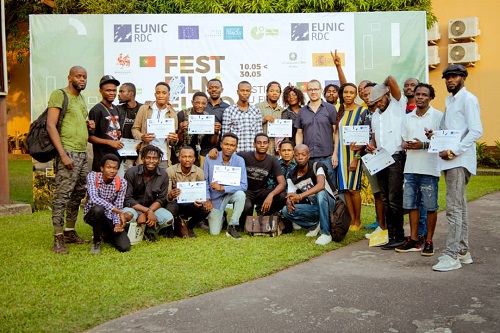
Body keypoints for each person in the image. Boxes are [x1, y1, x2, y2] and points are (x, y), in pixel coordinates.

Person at [431, 64, 482, 272]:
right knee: (459, 206)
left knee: (453, 208)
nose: (449, 80)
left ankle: (452, 255)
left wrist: (454, 151)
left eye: (454, 77)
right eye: (447, 77)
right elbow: (451, 131)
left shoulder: (469, 99)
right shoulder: (451, 101)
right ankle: (463, 251)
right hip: (449, 161)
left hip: (458, 161)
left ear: (463, 78)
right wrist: (435, 136)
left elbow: (476, 130)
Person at [46, 66, 94, 254]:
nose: (82, 79)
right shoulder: (59, 95)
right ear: (70, 78)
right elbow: (51, 125)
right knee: (62, 195)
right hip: (67, 152)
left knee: (77, 194)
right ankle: (58, 238)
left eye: (85, 76)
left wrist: (88, 125)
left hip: (82, 153)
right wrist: (63, 155)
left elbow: (76, 123)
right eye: (78, 76)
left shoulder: (81, 99)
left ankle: (69, 232)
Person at [395, 83, 442, 256]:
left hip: (429, 168)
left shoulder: (438, 116)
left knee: (430, 206)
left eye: (424, 94)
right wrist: (406, 144)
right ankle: (414, 239)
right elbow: (403, 141)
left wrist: (424, 144)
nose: (420, 97)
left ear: (430, 97)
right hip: (411, 168)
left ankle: (428, 240)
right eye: (418, 94)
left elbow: (443, 142)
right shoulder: (407, 118)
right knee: (411, 205)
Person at [368, 76, 407, 249]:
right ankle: (391, 235)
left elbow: (391, 79)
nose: (378, 104)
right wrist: (372, 148)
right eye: (375, 102)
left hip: (396, 158)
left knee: (394, 199)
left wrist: (382, 85)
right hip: (380, 158)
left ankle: (399, 235)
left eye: (380, 99)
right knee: (384, 198)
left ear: (387, 95)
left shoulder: (398, 106)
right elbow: (376, 138)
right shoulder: (375, 115)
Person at [281, 144, 336, 245]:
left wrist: (301, 196)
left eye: (303, 154)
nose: (300, 157)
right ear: (294, 156)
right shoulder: (292, 175)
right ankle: (315, 226)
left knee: (320, 193)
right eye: (297, 155)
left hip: (330, 204)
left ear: (308, 156)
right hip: (314, 207)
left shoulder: (317, 166)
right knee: (285, 210)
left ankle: (326, 234)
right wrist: (289, 201)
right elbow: (291, 194)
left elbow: (321, 185)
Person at [354, 83, 386, 238]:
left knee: (388, 193)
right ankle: (381, 226)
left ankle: (390, 226)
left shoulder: (386, 112)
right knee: (378, 193)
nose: (367, 97)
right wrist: (356, 151)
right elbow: (360, 137)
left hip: (386, 158)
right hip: (369, 159)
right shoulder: (364, 114)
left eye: (370, 94)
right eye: (364, 95)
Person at [123, 145, 174, 241]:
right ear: (142, 159)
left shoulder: (163, 175)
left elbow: (161, 199)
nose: (151, 161)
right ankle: (129, 230)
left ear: (159, 160)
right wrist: (146, 211)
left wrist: (149, 212)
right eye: (148, 158)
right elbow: (127, 198)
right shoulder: (131, 172)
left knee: (169, 219)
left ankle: (148, 229)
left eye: (155, 158)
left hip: (152, 208)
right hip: (133, 207)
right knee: (127, 215)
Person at [84, 154, 133, 254]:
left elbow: (118, 204)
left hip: (110, 217)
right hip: (93, 214)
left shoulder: (122, 182)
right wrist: (118, 211)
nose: (112, 171)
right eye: (108, 167)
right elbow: (94, 198)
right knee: (99, 209)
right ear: (102, 168)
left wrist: (116, 224)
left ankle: (106, 234)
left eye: (115, 168)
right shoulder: (93, 176)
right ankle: (96, 242)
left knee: (124, 247)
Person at [237, 133, 287, 229]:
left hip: (261, 192)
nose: (262, 145)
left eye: (265, 143)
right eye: (259, 143)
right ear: (254, 144)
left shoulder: (272, 160)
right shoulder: (244, 155)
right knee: (247, 208)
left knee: (282, 195)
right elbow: (228, 156)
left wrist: (270, 195)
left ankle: (264, 213)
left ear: (269, 145)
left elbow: (282, 183)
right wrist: (215, 151)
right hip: (246, 191)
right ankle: (242, 222)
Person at [203, 133, 247, 238]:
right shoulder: (210, 158)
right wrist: (207, 199)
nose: (229, 147)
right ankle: (222, 216)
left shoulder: (239, 161)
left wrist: (223, 188)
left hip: (230, 195)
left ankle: (232, 225)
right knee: (214, 232)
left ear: (236, 147)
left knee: (241, 195)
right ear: (221, 144)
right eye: (226, 144)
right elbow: (204, 180)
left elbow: (244, 185)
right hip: (215, 199)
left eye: (232, 145)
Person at [295, 79, 338, 183]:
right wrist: (299, 153)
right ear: (307, 91)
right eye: (310, 89)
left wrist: (335, 154)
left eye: (316, 89)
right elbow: (299, 133)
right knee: (310, 190)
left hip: (327, 157)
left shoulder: (330, 108)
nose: (313, 92)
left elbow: (336, 132)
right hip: (307, 158)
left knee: (330, 190)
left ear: (321, 90)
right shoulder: (302, 111)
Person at [335, 83, 364, 231]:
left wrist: (356, 158)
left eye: (351, 92)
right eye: (345, 92)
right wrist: (335, 154)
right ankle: (351, 220)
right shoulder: (340, 110)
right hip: (341, 154)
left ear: (356, 95)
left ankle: (358, 221)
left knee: (354, 189)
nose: (348, 95)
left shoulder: (361, 111)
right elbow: (337, 135)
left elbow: (364, 136)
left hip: (354, 155)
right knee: (346, 189)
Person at [131, 82, 179, 169]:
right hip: (146, 155)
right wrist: (142, 137)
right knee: (143, 181)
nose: (161, 95)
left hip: (163, 156)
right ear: (155, 94)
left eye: (164, 93)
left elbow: (172, 142)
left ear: (168, 95)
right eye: (158, 93)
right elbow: (135, 129)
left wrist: (174, 139)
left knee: (162, 181)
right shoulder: (144, 109)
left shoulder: (173, 114)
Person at [166, 146, 211, 238]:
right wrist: (171, 194)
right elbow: (167, 194)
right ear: (179, 158)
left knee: (205, 209)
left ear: (194, 159)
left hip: (192, 203)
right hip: (176, 202)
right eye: (184, 156)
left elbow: (201, 193)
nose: (187, 159)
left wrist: (201, 201)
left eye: (190, 157)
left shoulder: (199, 172)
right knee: (170, 208)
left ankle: (190, 226)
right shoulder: (170, 171)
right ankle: (171, 227)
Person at [403, 77, 428, 244]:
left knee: (424, 200)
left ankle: (423, 232)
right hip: (406, 162)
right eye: (407, 85)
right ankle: (413, 235)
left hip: (425, 163)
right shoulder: (402, 111)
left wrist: (423, 144)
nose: (409, 88)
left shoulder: (432, 113)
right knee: (410, 200)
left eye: (413, 85)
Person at [88, 75, 123, 173]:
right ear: (101, 91)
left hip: (116, 159)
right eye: (108, 90)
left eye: (114, 90)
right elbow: (90, 137)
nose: (112, 93)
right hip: (102, 161)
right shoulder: (96, 110)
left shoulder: (116, 109)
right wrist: (110, 142)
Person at [176, 92, 220, 167]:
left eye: (204, 103)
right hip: (182, 155)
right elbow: (177, 142)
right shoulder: (182, 114)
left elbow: (212, 143)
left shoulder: (208, 117)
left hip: (199, 155)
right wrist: (181, 131)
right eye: (197, 103)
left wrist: (216, 133)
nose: (200, 106)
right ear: (192, 102)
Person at [221, 81, 263, 152]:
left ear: (250, 92)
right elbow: (225, 136)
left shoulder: (256, 111)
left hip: (253, 154)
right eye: (242, 90)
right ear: (237, 92)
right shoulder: (229, 111)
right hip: (235, 154)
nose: (245, 93)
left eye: (247, 91)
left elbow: (259, 136)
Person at [117, 82, 143, 172]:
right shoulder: (118, 109)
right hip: (122, 155)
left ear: (131, 93)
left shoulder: (143, 108)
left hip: (139, 155)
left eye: (122, 91)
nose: (119, 94)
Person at [256, 81, 283, 156]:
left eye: (277, 91)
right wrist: (263, 120)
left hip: (276, 152)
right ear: (267, 93)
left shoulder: (282, 111)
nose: (274, 93)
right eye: (271, 91)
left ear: (280, 94)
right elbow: (251, 125)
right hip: (261, 151)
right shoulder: (257, 107)